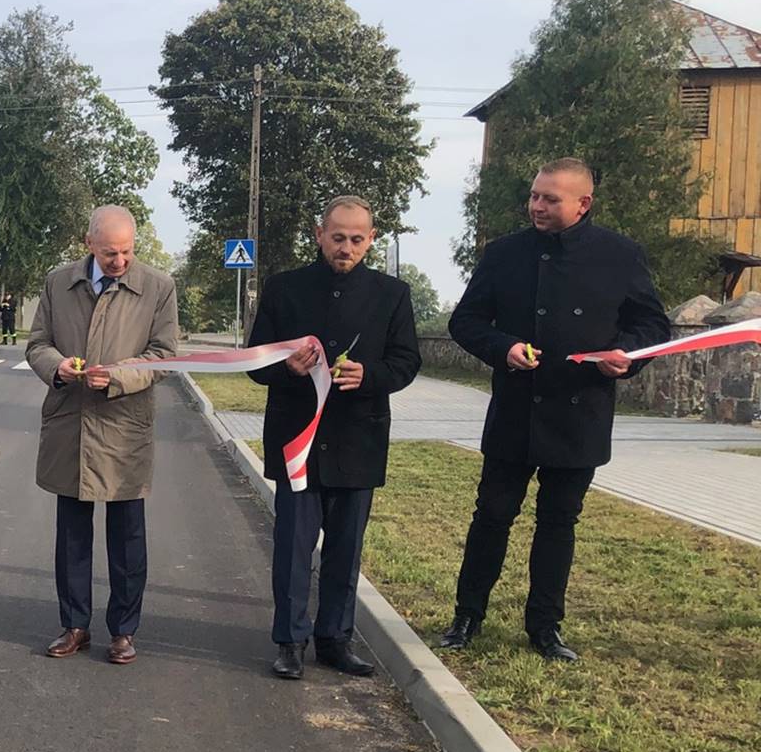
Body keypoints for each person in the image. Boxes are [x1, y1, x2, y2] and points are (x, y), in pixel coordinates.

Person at [441, 157, 670, 661]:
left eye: (550, 199)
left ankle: (545, 628)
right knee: (492, 516)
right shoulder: (504, 253)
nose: (537, 206)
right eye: (534, 196)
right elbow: (467, 321)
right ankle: (466, 616)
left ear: (583, 204)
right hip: (516, 409)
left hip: (580, 411)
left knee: (559, 522)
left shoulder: (620, 254)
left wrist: (627, 357)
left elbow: (653, 326)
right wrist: (502, 347)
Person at [246, 196, 422, 680]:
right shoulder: (285, 289)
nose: (346, 247)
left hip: (358, 440)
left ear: (371, 239)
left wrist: (370, 375)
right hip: (297, 440)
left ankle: (336, 639)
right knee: (292, 549)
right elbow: (255, 363)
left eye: (357, 239)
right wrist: (286, 367)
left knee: (346, 551)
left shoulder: (393, 294)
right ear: (320, 233)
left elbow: (407, 362)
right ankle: (289, 640)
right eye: (338, 237)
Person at [26, 205, 178, 664]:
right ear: (88, 244)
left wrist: (116, 376)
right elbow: (37, 344)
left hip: (123, 426)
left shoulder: (158, 287)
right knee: (71, 533)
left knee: (127, 535)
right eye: (110, 252)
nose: (119, 261)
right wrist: (59, 367)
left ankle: (123, 631)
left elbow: (165, 354)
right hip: (70, 421)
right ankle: (74, 625)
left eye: (127, 251)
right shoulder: (58, 282)